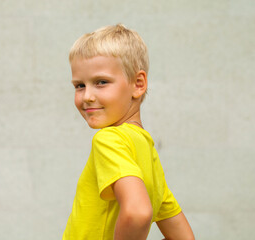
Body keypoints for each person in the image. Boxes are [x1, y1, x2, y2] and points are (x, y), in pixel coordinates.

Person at [63, 24, 194, 240]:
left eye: (101, 82)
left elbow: (138, 212)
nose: (86, 96)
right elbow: (183, 237)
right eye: (79, 85)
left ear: (138, 84)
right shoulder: (147, 152)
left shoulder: (108, 139)